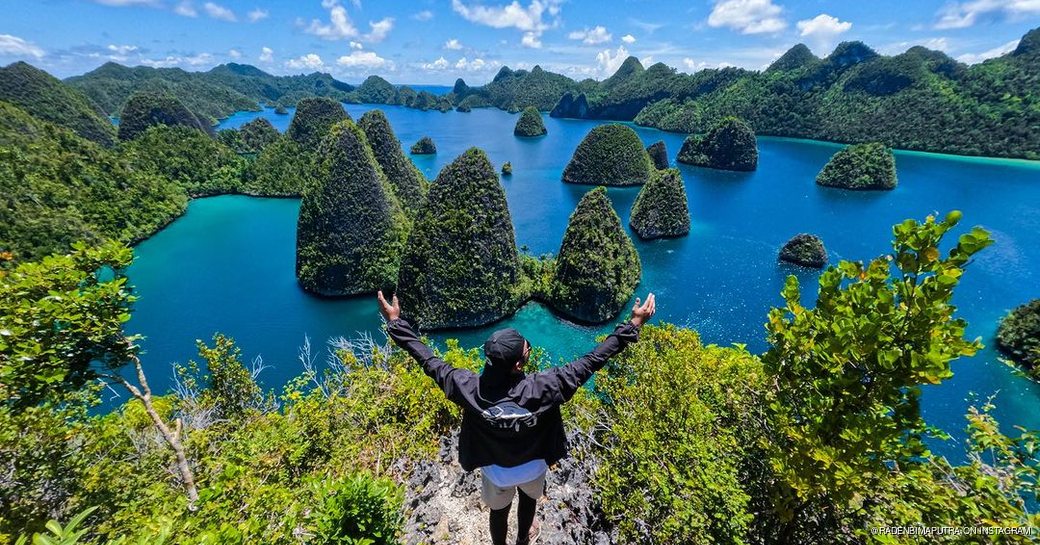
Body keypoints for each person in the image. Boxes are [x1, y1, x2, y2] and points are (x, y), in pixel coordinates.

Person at [376, 291, 656, 545]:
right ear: (519, 365)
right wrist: (633, 324)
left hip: (496, 471)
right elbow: (593, 360)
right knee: (529, 500)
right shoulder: (546, 387)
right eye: (527, 350)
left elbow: (429, 360)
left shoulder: (467, 388)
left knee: (498, 512)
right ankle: (523, 538)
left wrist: (396, 323)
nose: (529, 350)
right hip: (533, 465)